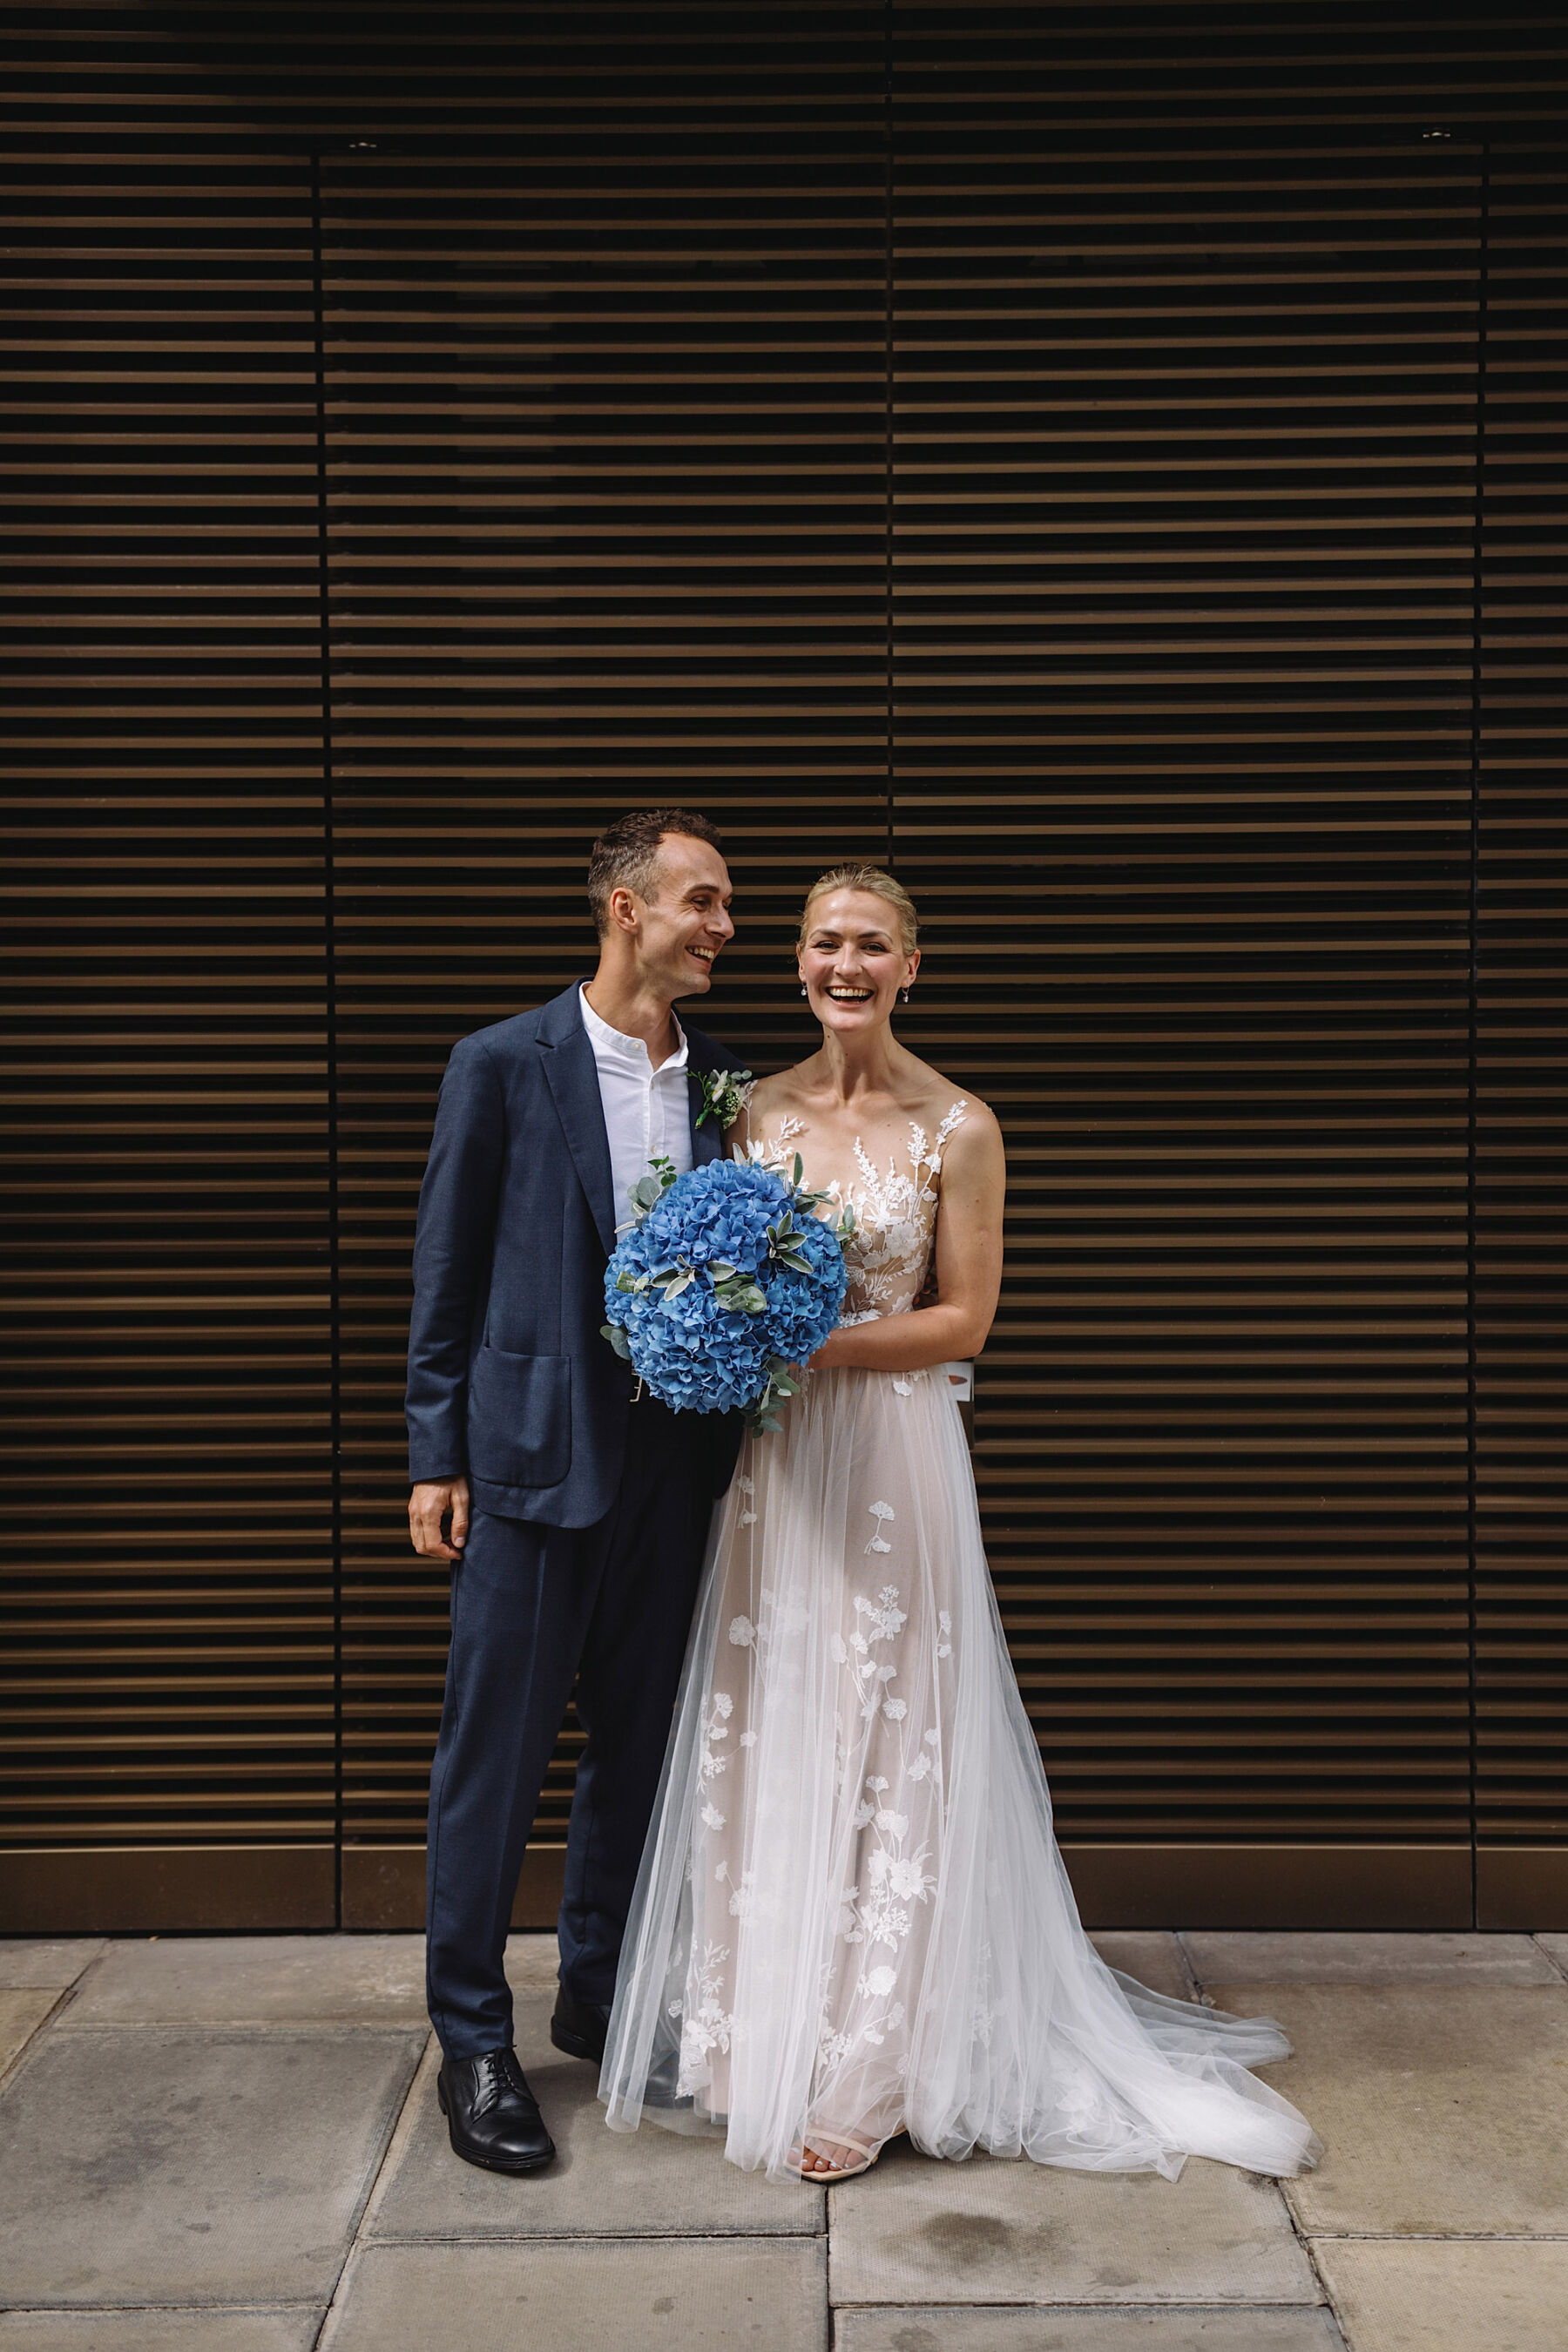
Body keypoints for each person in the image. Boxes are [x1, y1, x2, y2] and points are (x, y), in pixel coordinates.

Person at [601, 864, 1321, 2186]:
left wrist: (802, 1345)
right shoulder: (752, 1111)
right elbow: (701, 1262)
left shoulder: (962, 1125)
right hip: (778, 1463)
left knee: (894, 1732)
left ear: (912, 966)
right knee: (775, 1716)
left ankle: (878, 2063)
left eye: (871, 944)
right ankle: (764, 2036)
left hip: (892, 1448)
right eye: (823, 941)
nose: (844, 963)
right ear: (800, 962)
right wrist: (707, 1334)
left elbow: (964, 1320)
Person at [406, 808, 743, 2175]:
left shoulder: (724, 1081)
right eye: (705, 903)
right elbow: (448, 1260)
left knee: (639, 1754)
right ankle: (472, 2041)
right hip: (534, 1462)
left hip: (676, 1469)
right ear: (626, 908)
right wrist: (436, 1451)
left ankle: (598, 1997)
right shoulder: (502, 1063)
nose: (725, 928)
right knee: (494, 1761)